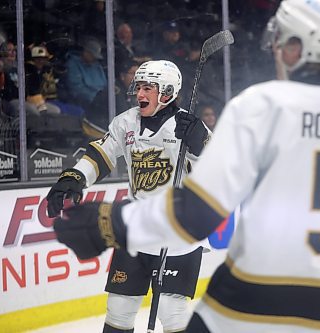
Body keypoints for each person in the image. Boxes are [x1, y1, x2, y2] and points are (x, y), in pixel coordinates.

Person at [52, 1, 320, 332]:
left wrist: (110, 222)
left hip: (243, 310)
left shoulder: (261, 105)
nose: (274, 48)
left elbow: (197, 211)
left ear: (299, 47)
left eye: (281, 40)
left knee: (176, 318)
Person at [46, 60, 211, 333]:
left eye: (148, 88)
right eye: (138, 87)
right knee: (119, 309)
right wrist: (73, 178)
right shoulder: (127, 121)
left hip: (178, 232)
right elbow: (102, 153)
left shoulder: (188, 127)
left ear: (167, 92)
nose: (140, 94)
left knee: (172, 312)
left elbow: (218, 165)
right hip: (137, 229)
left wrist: (199, 141)